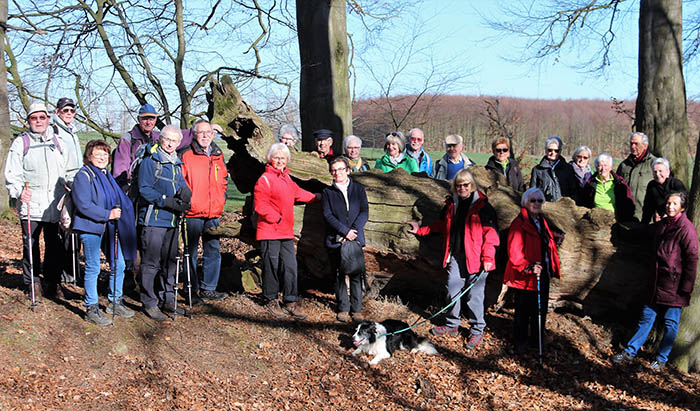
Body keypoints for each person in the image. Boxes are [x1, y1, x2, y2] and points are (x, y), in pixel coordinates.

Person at [407, 169, 499, 349]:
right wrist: (420, 230)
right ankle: (452, 325)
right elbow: (441, 226)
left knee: (475, 296)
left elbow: (491, 235)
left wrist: (488, 257)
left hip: (477, 258)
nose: (462, 188)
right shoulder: (451, 205)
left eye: (466, 185)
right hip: (456, 255)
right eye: (459, 185)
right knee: (452, 289)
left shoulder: (483, 207)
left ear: (472, 185)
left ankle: (476, 330)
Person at [610, 192, 698, 370]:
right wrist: (624, 229)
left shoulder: (686, 229)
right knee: (646, 318)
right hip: (656, 282)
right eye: (668, 203)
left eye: (674, 204)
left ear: (682, 207)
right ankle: (630, 351)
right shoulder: (663, 225)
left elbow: (692, 258)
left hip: (675, 286)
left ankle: (661, 358)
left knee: (670, 324)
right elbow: (646, 231)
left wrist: (686, 288)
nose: (670, 206)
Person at [4, 103, 74, 301]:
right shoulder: (21, 143)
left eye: (42, 117)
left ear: (48, 119)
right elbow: (12, 174)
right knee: (30, 244)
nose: (38, 121)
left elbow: (69, 170)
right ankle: (33, 282)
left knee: (55, 245)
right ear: (28, 121)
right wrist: (18, 192)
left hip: (55, 204)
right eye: (34, 118)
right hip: (31, 204)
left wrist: (74, 188)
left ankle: (52, 282)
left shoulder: (59, 142)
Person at [71, 140, 138, 326]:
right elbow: (83, 204)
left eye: (105, 154)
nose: (102, 158)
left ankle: (115, 301)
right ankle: (91, 308)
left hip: (109, 227)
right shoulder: (84, 175)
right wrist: (107, 214)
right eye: (97, 154)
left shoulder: (106, 175)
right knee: (93, 267)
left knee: (119, 264)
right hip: (90, 226)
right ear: (89, 156)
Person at [254, 143, 319, 320]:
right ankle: (270, 299)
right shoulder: (265, 179)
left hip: (285, 232)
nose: (280, 161)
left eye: (283, 158)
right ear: (270, 159)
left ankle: (290, 300)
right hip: (270, 230)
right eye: (276, 157)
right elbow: (260, 205)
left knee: (291, 266)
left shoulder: (287, 179)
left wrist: (318, 197)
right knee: (271, 266)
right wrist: (276, 218)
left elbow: (299, 193)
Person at [137, 125, 191, 322]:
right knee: (151, 262)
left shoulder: (177, 164)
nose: (170, 143)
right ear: (160, 139)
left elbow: (182, 187)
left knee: (170, 261)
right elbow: (145, 189)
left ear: (179, 143)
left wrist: (186, 195)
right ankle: (149, 302)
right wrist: (167, 201)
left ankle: (168, 298)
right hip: (154, 219)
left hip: (172, 221)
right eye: (167, 139)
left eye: (174, 140)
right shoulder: (150, 162)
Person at [504, 188, 562, 354]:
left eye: (539, 200)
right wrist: (528, 267)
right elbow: (514, 253)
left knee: (540, 309)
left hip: (542, 272)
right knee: (523, 312)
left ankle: (537, 339)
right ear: (525, 202)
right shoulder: (519, 223)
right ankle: (520, 343)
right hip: (525, 276)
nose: (536, 203)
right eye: (533, 200)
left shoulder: (541, 221)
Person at [180, 120, 229, 304]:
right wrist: (188, 202)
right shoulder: (186, 154)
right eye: (201, 133)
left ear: (213, 134)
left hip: (213, 212)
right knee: (190, 252)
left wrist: (222, 197)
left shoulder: (218, 154)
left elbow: (223, 178)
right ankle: (190, 289)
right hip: (193, 212)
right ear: (194, 134)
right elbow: (181, 182)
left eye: (208, 132)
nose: (205, 136)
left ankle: (209, 288)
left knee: (213, 250)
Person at [322, 157, 369, 322]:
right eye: (334, 170)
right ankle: (343, 307)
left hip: (354, 239)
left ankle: (356, 309)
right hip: (336, 239)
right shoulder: (328, 192)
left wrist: (353, 232)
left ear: (348, 170)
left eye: (341, 169)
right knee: (339, 274)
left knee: (356, 274)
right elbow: (328, 215)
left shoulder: (358, 189)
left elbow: (364, 212)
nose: (337, 173)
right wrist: (344, 232)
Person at [51, 97, 83, 285]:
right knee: (63, 229)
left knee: (73, 229)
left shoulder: (73, 132)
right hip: (63, 186)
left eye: (72, 111)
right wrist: (64, 182)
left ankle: (72, 271)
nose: (69, 114)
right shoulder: (55, 132)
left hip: (75, 184)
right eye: (65, 111)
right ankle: (63, 273)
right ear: (58, 112)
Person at [112, 103, 162, 191]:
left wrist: (193, 132)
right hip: (134, 187)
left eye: (151, 119)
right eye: (145, 119)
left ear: (156, 120)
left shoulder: (159, 138)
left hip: (155, 186)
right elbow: (120, 168)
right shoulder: (128, 139)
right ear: (139, 119)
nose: (148, 122)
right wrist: (124, 189)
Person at [578, 153, 635, 222]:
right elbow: (584, 204)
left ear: (610, 167)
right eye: (600, 166)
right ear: (596, 168)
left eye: (605, 165)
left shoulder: (619, 183)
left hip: (615, 223)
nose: (603, 169)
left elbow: (628, 204)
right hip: (595, 224)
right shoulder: (590, 183)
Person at [616, 132, 657, 222]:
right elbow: (616, 190)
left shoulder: (654, 164)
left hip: (646, 219)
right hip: (625, 217)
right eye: (631, 143)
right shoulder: (623, 165)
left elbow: (662, 189)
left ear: (645, 145)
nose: (633, 146)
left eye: (636, 144)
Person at [529, 136, 578, 202]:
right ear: (545, 150)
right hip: (544, 207)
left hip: (564, 208)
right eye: (550, 150)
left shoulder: (568, 169)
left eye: (556, 150)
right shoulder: (537, 170)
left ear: (560, 151)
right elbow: (532, 192)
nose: (553, 153)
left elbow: (574, 192)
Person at [641, 158, 687, 224]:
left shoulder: (676, 184)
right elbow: (648, 207)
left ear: (668, 172)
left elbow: (684, 205)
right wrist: (644, 224)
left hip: (678, 220)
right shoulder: (651, 185)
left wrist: (669, 214)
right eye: (655, 172)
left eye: (660, 171)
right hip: (661, 221)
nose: (657, 174)